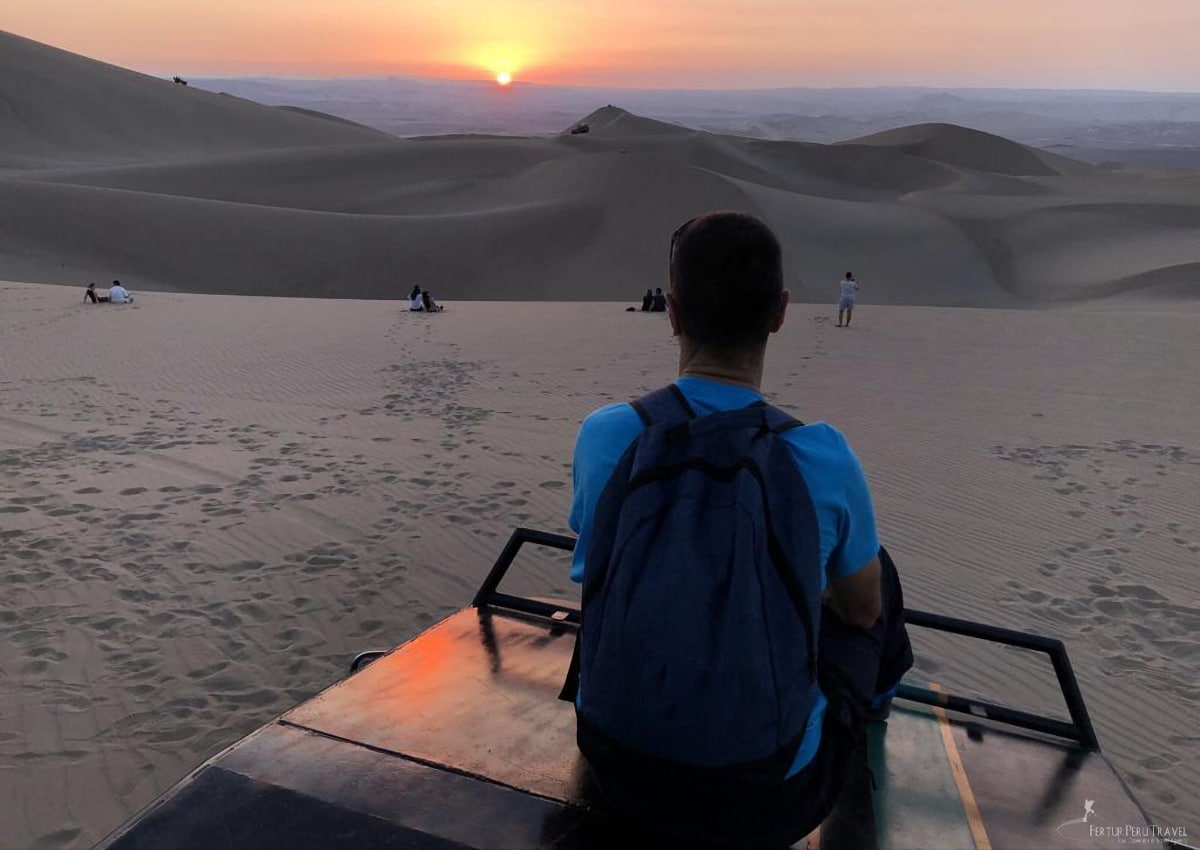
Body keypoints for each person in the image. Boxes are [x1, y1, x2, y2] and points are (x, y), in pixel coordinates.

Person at [566, 212, 911, 848]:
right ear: (779, 312)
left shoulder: (606, 435)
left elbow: (592, 573)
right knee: (877, 579)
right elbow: (861, 614)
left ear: (672, 312)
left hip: (615, 767)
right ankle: (880, 707)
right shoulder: (823, 457)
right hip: (768, 798)